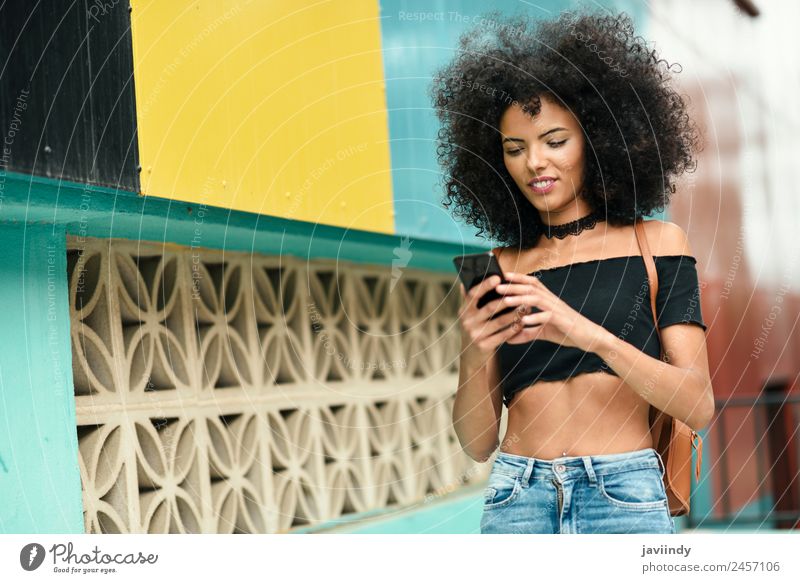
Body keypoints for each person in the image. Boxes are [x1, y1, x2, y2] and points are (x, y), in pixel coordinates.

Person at [429, 9, 713, 534]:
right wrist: (474, 349)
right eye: (515, 149)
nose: (535, 162)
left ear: (599, 141)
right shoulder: (500, 266)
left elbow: (697, 405)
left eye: (555, 141)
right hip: (518, 495)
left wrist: (585, 333)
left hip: (622, 494)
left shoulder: (656, 244)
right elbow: (476, 443)